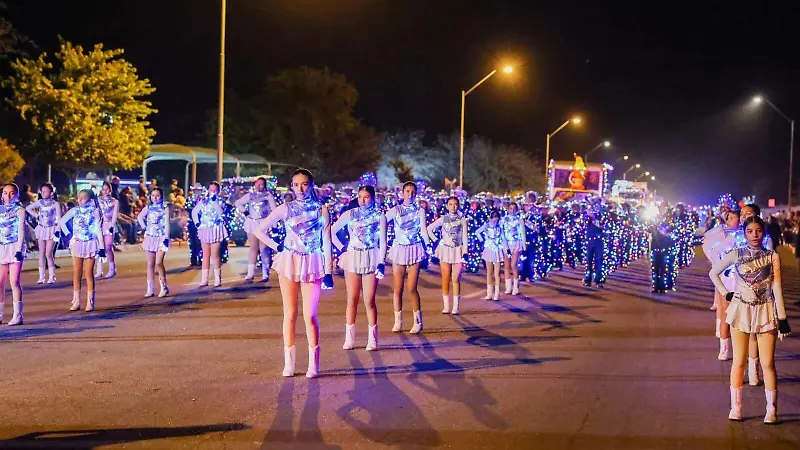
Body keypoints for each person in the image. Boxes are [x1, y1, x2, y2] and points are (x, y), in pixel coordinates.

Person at [709, 216, 791, 423]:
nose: (755, 235)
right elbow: (714, 273)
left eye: (758, 231)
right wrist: (726, 293)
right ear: (744, 233)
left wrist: (782, 318)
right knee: (738, 361)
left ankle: (771, 410)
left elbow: (777, 288)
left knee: (768, 363)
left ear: (764, 232)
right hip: (741, 310)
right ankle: (736, 408)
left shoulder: (772, 257)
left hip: (766, 311)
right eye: (750, 231)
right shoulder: (736, 253)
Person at [254, 168, 333, 378]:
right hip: (289, 261)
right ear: (291, 186)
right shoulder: (284, 208)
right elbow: (258, 230)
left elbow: (327, 241)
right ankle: (289, 363)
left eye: (304, 184)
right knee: (290, 314)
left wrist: (329, 271)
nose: (300, 188)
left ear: (311, 185)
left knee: (310, 315)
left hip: (313, 262)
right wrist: (276, 246)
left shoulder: (322, 210)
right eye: (296, 184)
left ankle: (313, 364)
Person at [331, 185, 387, 350]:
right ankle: (350, 338)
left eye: (367, 197)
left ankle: (373, 338)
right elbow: (332, 231)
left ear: (373, 198)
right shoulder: (350, 214)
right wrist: (342, 247)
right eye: (360, 196)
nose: (363, 200)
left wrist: (382, 262)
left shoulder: (380, 216)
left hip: (371, 257)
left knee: (369, 300)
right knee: (352, 299)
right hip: (353, 256)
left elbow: (383, 241)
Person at [386, 182, 431, 334]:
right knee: (397, 289)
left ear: (416, 193)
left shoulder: (420, 211)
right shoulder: (396, 210)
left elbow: (424, 230)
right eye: (407, 191)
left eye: (412, 191)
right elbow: (381, 222)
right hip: (399, 249)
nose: (410, 194)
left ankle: (418, 321)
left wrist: (428, 245)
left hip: (414, 249)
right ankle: (398, 321)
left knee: (412, 288)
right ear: (402, 192)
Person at [59, 189, 105, 312]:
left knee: (88, 272)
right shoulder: (74, 210)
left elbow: (98, 230)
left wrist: (102, 248)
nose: (79, 200)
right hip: (78, 243)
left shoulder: (95, 212)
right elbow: (62, 221)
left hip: (90, 243)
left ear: (90, 200)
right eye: (78, 198)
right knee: (77, 272)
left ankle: (90, 301)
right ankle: (77, 300)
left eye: (83, 198)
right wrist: (68, 234)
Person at [702, 210, 740, 360]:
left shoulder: (751, 236)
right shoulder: (730, 237)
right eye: (728, 218)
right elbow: (714, 252)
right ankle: (724, 348)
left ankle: (746, 354)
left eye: (733, 218)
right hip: (729, 279)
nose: (729, 221)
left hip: (746, 282)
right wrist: (721, 266)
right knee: (726, 313)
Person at [427, 196, 468, 314]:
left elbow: (465, 237)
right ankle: (446, 306)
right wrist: (436, 240)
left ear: (458, 205)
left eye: (455, 204)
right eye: (450, 204)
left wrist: (465, 252)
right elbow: (429, 229)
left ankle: (456, 306)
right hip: (445, 250)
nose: (453, 206)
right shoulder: (443, 218)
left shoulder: (462, 219)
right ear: (447, 206)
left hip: (458, 250)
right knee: (445, 278)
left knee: (455, 278)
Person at [234, 177, 277, 282]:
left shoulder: (268, 196)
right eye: (257, 184)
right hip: (252, 222)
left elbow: (274, 210)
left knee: (264, 249)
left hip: (263, 223)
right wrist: (245, 212)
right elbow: (238, 203)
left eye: (262, 184)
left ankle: (265, 274)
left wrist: (274, 225)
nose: (259, 186)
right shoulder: (250, 195)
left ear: (265, 186)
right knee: (253, 248)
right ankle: (250, 273)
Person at [191, 182, 228, 287]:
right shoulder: (203, 201)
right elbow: (194, 212)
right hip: (205, 229)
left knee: (215, 254)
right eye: (211, 190)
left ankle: (217, 279)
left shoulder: (220, 201)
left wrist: (214, 202)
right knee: (205, 254)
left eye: (215, 190)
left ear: (218, 191)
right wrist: (197, 223)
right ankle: (204, 279)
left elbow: (221, 212)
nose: (213, 192)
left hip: (216, 229)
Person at [0, 183, 26, 325]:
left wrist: (18, 250)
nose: (8, 196)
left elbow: (21, 230)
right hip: (1, 249)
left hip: (15, 247)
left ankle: (18, 315)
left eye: (11, 193)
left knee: (14, 282)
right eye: (5, 193)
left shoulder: (20, 210)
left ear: (16, 195)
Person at [138, 187, 170, 298]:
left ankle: (164, 287)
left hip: (161, 238)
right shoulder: (148, 208)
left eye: (157, 196)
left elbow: (167, 224)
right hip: (150, 237)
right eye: (153, 196)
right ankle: (150, 289)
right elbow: (140, 217)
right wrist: (144, 227)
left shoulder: (165, 208)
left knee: (158, 262)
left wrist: (166, 237)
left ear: (161, 197)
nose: (155, 198)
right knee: (150, 264)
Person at [26, 183, 61, 284]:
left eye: (46, 191)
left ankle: (52, 276)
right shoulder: (40, 202)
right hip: (41, 229)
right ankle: (41, 277)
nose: (44, 192)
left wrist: (58, 231)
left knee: (48, 253)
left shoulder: (55, 204)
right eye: (42, 191)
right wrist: (36, 215)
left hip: (51, 229)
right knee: (41, 253)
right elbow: (28, 208)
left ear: (51, 192)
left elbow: (59, 218)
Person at [476, 210, 506, 301]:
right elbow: (477, 232)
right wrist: (482, 240)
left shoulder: (500, 228)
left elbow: (503, 238)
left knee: (497, 273)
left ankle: (496, 294)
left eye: (496, 218)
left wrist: (505, 250)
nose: (495, 220)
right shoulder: (486, 226)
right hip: (488, 249)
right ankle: (489, 293)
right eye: (493, 218)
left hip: (497, 250)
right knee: (489, 272)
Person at [500, 202, 527, 295]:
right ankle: (508, 287)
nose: (512, 210)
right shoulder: (503, 220)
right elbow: (502, 233)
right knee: (506, 266)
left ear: (517, 210)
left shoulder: (519, 220)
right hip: (506, 243)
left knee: (513, 265)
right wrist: (504, 245)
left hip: (516, 243)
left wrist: (524, 246)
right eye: (510, 208)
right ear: (507, 210)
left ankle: (516, 286)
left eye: (514, 208)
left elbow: (522, 233)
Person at [96, 182, 119, 279]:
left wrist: (112, 226)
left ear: (110, 190)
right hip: (99, 225)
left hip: (109, 225)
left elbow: (114, 215)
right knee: (99, 247)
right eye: (103, 189)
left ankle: (112, 269)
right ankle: (99, 270)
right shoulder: (97, 200)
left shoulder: (115, 201)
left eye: (107, 189)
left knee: (108, 246)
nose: (105, 191)